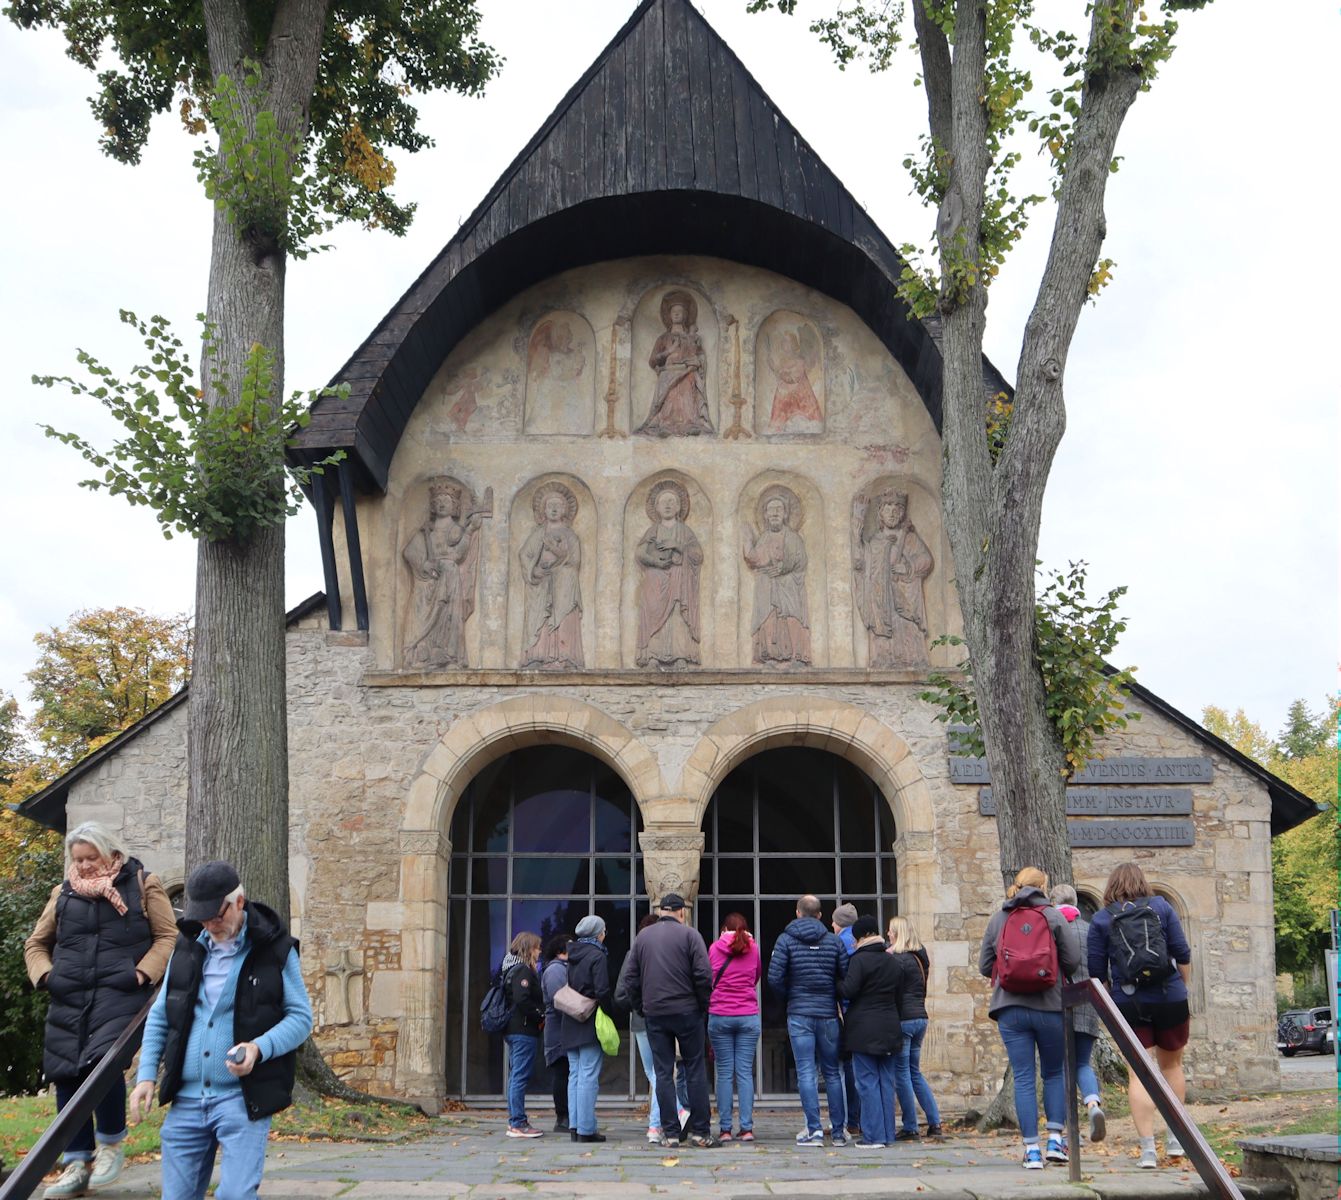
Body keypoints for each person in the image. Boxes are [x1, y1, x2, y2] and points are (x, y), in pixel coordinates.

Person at [129, 860, 314, 1200]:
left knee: (236, 1194)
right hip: (186, 1099)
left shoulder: (276, 949)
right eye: (203, 918)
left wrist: (259, 1047)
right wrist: (146, 1076)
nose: (211, 925)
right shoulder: (186, 948)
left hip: (241, 1100)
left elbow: (301, 1018)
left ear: (239, 902)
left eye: (217, 916)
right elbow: (160, 1016)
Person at [25, 821, 178, 1198]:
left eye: (91, 857)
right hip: (69, 995)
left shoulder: (142, 883)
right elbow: (36, 943)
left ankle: (110, 1145)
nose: (86, 864)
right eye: (78, 859)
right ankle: (76, 1162)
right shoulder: (62, 893)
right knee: (65, 1069)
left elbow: (168, 935)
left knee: (102, 1063)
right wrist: (47, 976)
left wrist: (143, 972)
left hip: (120, 991)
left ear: (111, 852)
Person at [1088, 863, 1192, 1168]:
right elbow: (1182, 953)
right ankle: (1176, 1140)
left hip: (1129, 1001)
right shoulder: (1162, 907)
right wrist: (1179, 987)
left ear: (1110, 887)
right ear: (1143, 883)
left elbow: (1096, 973)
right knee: (1172, 1065)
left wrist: (1114, 1001)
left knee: (1139, 1073)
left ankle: (1148, 1150)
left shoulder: (1101, 919)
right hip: (1169, 996)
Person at [978, 867, 1080, 1170]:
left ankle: (1032, 1150)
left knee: (1023, 1076)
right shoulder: (1052, 916)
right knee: (1053, 1072)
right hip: (1049, 1005)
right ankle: (1054, 1141)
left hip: (1010, 1007)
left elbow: (985, 964)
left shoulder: (1000, 918)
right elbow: (1073, 961)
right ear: (1044, 886)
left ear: (1016, 886)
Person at [620, 894, 716, 1148]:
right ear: (682, 912)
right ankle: (700, 1132)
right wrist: (701, 1006)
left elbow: (630, 979)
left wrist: (642, 1006)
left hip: (656, 1013)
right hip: (687, 1012)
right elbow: (704, 975)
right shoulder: (691, 936)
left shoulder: (643, 938)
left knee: (663, 1073)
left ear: (661, 911)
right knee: (695, 1069)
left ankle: (671, 1133)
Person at [767, 894, 849, 1146]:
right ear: (821, 915)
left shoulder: (785, 940)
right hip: (827, 1014)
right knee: (832, 1072)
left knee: (806, 1072)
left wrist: (790, 997)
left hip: (800, 1013)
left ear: (797, 912)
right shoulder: (833, 942)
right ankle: (837, 1132)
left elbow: (774, 977)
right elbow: (845, 977)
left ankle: (813, 1130)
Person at [837, 915, 911, 1148]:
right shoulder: (892, 961)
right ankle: (887, 1134)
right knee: (886, 1083)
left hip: (864, 1030)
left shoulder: (860, 960)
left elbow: (848, 990)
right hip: (889, 1027)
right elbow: (900, 998)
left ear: (860, 937)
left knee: (867, 1083)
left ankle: (872, 1136)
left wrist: (836, 982)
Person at [616, 914, 688, 1143]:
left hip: (643, 1019)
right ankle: (673, 1114)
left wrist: (640, 1006)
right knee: (658, 1073)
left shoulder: (635, 953)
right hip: (659, 1016)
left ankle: (657, 1125)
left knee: (656, 1073)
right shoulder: (658, 952)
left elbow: (624, 990)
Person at [1048, 885, 1105, 1144]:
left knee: (1059, 1069)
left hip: (1058, 1004)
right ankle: (1093, 1104)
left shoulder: (1051, 929)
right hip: (1088, 1003)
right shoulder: (1090, 929)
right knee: (1082, 1063)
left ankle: (1070, 1131)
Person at [886, 915, 943, 1141]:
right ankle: (934, 1121)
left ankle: (910, 1126)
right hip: (921, 1017)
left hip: (904, 1020)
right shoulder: (920, 957)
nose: (888, 934)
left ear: (898, 933)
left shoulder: (897, 960)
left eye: (891, 930)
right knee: (914, 1072)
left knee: (902, 1074)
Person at [707, 912, 762, 1141]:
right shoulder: (755, 948)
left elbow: (708, 977)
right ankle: (747, 1128)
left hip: (720, 1014)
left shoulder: (714, 948)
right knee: (745, 1073)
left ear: (723, 929)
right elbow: (756, 976)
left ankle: (726, 1129)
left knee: (724, 1074)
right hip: (748, 1015)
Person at [559, 915, 612, 1143]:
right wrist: (611, 1012)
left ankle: (574, 1126)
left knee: (575, 1074)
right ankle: (586, 1129)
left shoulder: (572, 955)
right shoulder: (597, 955)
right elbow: (602, 990)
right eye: (604, 930)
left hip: (570, 1018)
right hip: (589, 1019)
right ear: (598, 933)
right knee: (589, 1075)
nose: (605, 934)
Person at [501, 932, 545, 1138]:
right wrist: (540, 1015)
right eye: (537, 948)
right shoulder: (522, 971)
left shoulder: (511, 968)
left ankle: (517, 1120)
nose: (540, 951)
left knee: (516, 1075)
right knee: (519, 1076)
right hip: (523, 1030)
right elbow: (522, 1000)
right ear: (528, 949)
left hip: (516, 1029)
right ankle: (517, 1122)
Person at [830, 902, 862, 1136]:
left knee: (839, 1068)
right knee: (859, 1067)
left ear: (839, 924)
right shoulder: (862, 942)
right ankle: (856, 1119)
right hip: (864, 1011)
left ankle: (842, 1122)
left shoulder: (837, 944)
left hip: (844, 1011)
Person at [540, 935, 573, 1133]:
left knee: (566, 1073)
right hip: (558, 1031)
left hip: (563, 1030)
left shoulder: (562, 969)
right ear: (561, 951)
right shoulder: (555, 970)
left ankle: (567, 1116)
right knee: (561, 1073)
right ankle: (562, 1118)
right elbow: (559, 999)